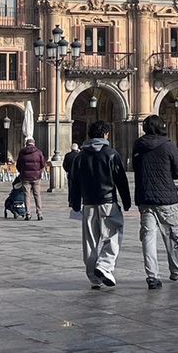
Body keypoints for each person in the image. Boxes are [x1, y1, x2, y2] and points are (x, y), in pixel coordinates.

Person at [68, 119, 131, 290]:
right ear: (105, 134)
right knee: (113, 235)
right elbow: (121, 180)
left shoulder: (80, 157)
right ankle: (104, 266)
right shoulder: (111, 154)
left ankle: (94, 278)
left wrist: (74, 203)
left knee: (90, 241)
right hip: (108, 202)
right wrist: (126, 201)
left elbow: (73, 182)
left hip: (88, 204)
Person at [132, 115, 178, 290]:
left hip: (145, 197)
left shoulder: (138, 145)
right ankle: (176, 269)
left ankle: (152, 276)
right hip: (166, 198)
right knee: (171, 234)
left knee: (148, 238)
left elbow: (135, 168)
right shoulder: (168, 145)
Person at [16, 137, 47, 220]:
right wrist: (39, 172)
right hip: (36, 177)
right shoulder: (39, 152)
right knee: (37, 195)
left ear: (26, 144)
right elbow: (43, 164)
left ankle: (28, 214)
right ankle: (39, 214)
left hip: (25, 177)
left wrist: (22, 172)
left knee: (27, 195)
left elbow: (18, 165)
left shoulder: (22, 152)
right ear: (34, 143)